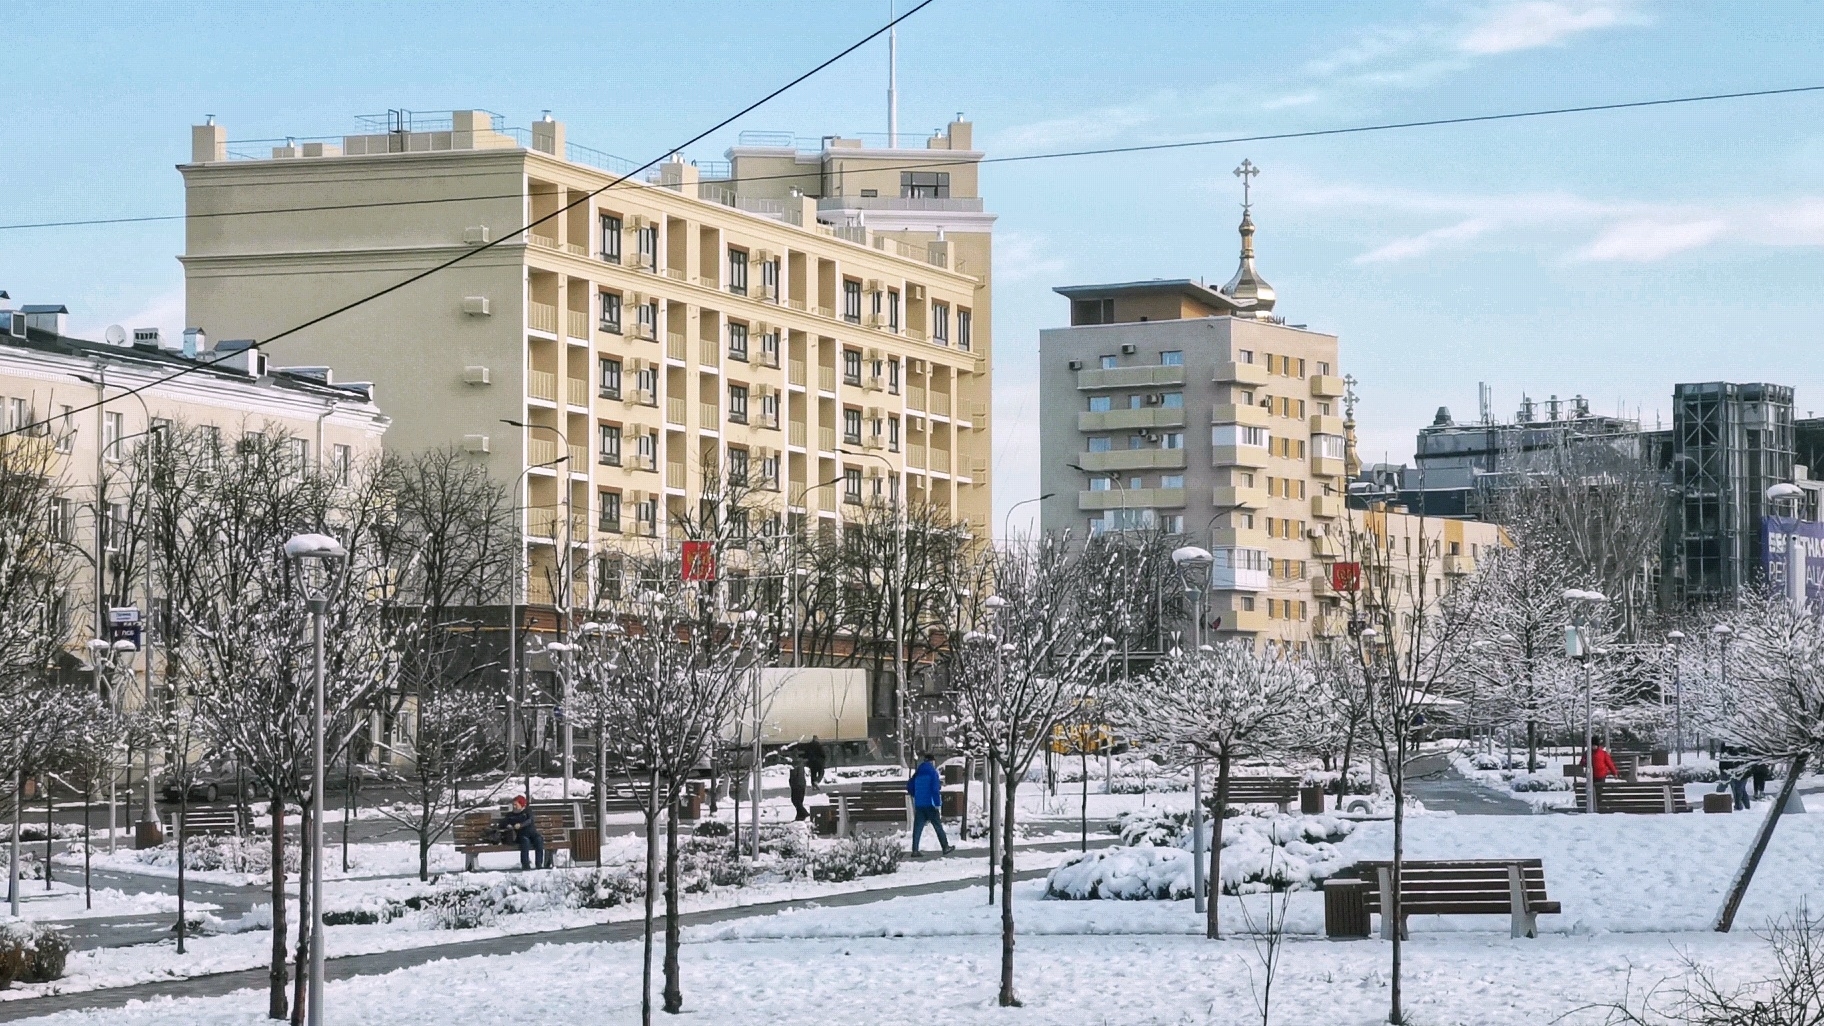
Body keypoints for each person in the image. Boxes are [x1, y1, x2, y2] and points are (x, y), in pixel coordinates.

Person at [906, 754, 952, 856]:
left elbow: (910, 786)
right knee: (938, 826)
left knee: (917, 828)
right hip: (930, 804)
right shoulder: (933, 773)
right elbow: (935, 790)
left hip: (919, 804)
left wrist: (916, 794)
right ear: (932, 762)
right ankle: (945, 847)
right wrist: (937, 803)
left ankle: (915, 850)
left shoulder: (917, 773)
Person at [502, 795, 546, 870]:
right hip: (521, 835)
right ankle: (525, 864)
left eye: (516, 804)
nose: (514, 806)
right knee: (525, 842)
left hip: (532, 834)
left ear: (521, 804)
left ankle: (539, 863)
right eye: (513, 805)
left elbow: (530, 820)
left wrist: (521, 825)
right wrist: (508, 825)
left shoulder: (527, 812)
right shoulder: (510, 815)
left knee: (539, 840)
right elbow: (503, 823)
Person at [789, 756, 810, 822]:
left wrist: (791, 782)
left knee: (795, 800)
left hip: (796, 785)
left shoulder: (794, 764)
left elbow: (794, 775)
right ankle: (799, 816)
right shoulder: (801, 763)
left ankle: (804, 813)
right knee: (799, 801)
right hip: (802, 784)